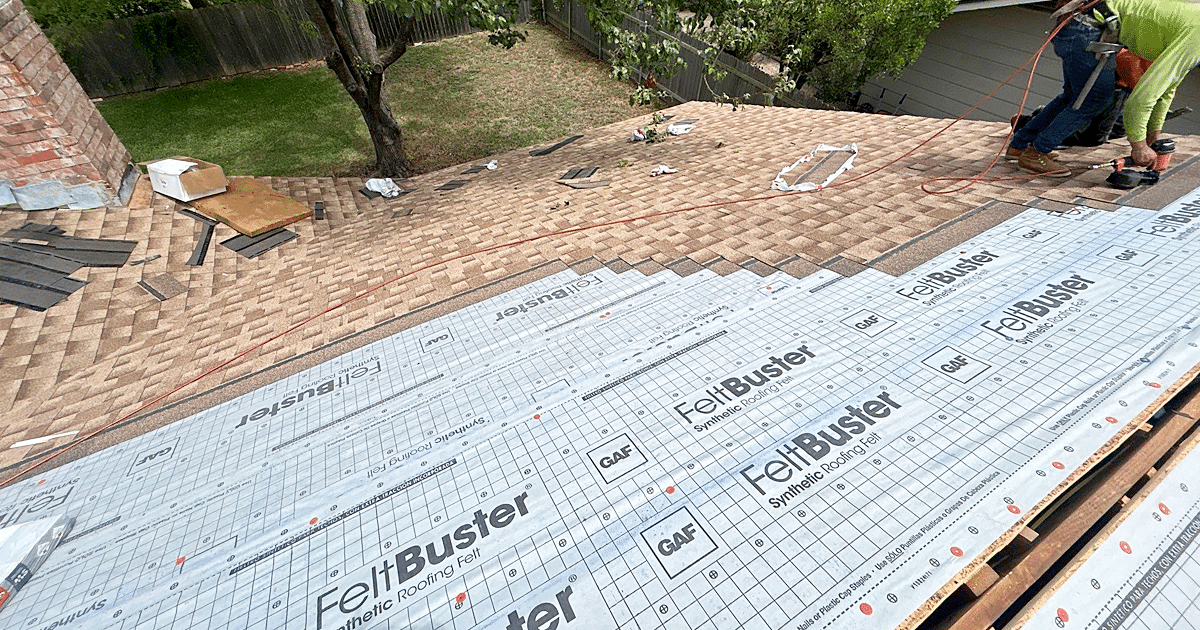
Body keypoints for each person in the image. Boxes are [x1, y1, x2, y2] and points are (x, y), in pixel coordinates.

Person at [1006, 1, 1117, 177]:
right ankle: (1036, 154)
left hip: (1077, 26)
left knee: (1072, 96)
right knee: (1092, 100)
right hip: (1088, 33)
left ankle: (1020, 144)